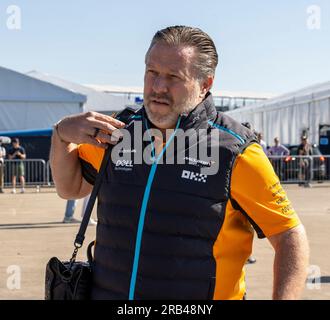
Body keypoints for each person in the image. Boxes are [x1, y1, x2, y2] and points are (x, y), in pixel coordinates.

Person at [50, 26, 309, 300]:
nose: (158, 87)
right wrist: (60, 135)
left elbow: (288, 234)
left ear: (205, 84)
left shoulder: (235, 150)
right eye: (152, 73)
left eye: (174, 77)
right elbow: (71, 188)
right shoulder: (120, 131)